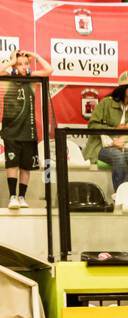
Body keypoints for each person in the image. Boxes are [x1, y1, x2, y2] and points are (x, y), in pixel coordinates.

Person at [1, 50, 51, 210]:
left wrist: (34, 55)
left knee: (26, 167)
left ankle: (22, 196)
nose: (23, 67)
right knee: (12, 165)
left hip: (28, 131)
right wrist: (11, 61)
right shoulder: (6, 78)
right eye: (19, 64)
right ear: (13, 66)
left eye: (26, 64)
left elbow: (49, 70)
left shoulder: (32, 79)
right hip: (11, 131)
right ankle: (12, 197)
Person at [86, 72, 128, 192]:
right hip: (103, 146)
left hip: (127, 146)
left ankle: (122, 193)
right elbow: (92, 126)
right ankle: (122, 195)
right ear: (123, 88)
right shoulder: (105, 103)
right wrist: (115, 129)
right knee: (118, 156)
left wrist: (125, 139)